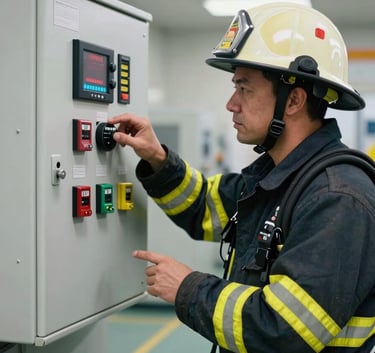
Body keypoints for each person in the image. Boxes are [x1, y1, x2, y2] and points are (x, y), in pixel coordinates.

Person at [109, 3, 375, 353]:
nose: (231, 104)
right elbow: (202, 204)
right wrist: (157, 158)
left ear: (292, 100)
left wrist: (187, 287)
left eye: (244, 88)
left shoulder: (337, 198)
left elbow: (281, 331)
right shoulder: (277, 178)